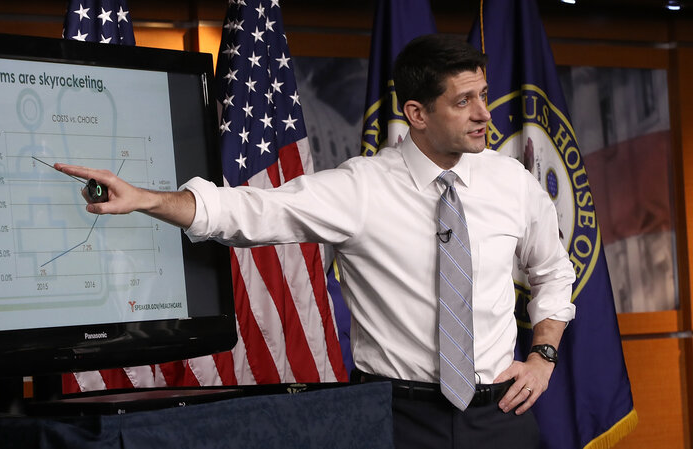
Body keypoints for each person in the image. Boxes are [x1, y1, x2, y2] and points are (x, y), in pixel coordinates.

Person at [55, 34, 575, 449]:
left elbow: (553, 272)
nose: (485, 113)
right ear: (418, 114)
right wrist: (145, 198)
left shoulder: (511, 182)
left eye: (482, 95)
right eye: (464, 101)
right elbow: (248, 212)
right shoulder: (361, 188)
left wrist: (543, 356)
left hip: (501, 417)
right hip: (397, 420)